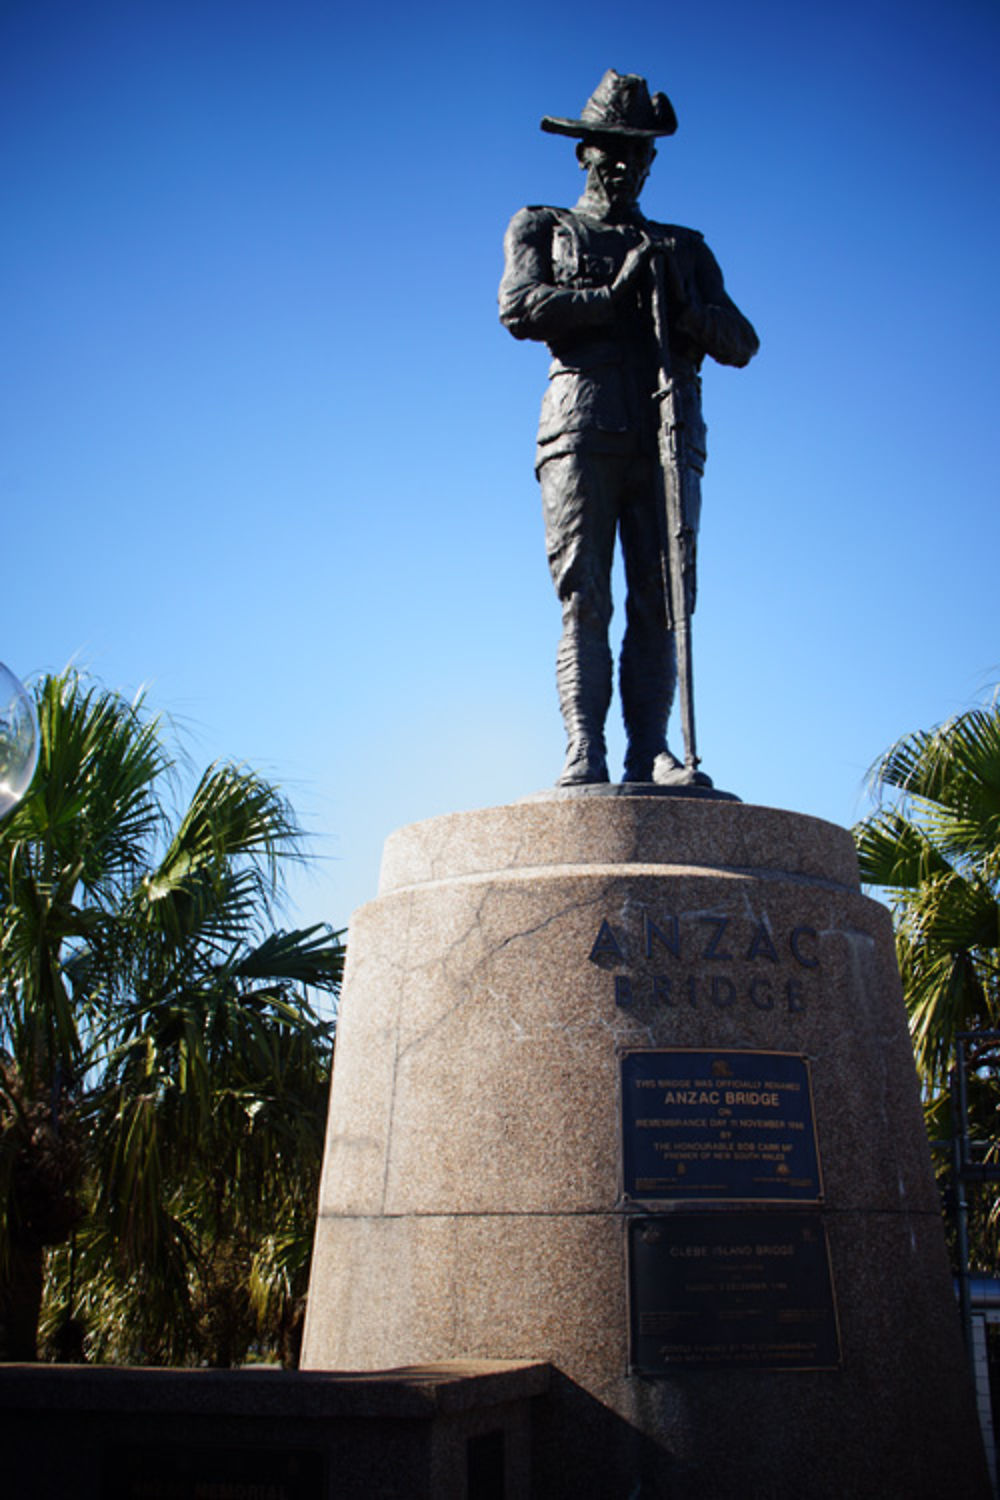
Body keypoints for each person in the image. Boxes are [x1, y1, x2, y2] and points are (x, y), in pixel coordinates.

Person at [499, 69, 759, 786]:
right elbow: (520, 308)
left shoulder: (685, 249)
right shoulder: (543, 226)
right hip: (581, 426)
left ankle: (651, 747)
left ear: (652, 161)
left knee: (664, 599)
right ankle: (585, 745)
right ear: (583, 152)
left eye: (638, 153)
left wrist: (685, 310)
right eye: (609, 150)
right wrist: (613, 295)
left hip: (668, 435)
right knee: (585, 595)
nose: (623, 165)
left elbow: (742, 341)